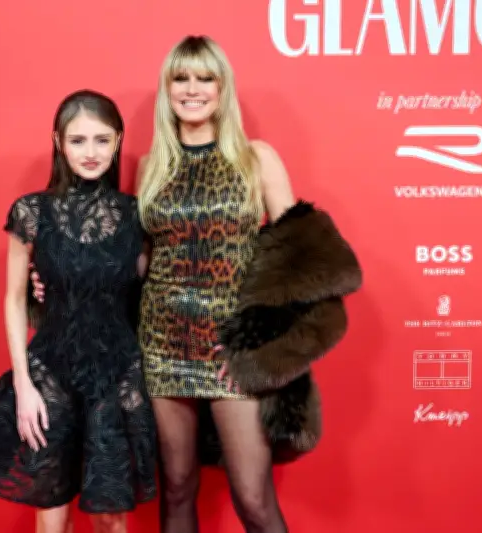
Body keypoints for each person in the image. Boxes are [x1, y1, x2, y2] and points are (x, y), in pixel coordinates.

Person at [31, 36, 362, 533]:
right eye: (181, 78)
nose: (192, 89)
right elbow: (137, 260)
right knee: (178, 488)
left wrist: (266, 347)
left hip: (230, 349)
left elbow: (297, 260)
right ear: (167, 89)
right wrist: (59, 279)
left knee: (254, 499)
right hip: (163, 345)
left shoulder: (257, 159)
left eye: (204, 78)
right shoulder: (152, 167)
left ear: (222, 87)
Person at [0, 89, 157, 533]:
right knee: (51, 515)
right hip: (51, 374)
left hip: (118, 376)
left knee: (111, 516)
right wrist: (23, 385)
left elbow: (148, 292)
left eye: (102, 140)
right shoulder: (32, 212)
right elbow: (13, 299)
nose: (91, 152)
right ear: (58, 142)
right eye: (78, 140)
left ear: (118, 141)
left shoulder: (136, 215)